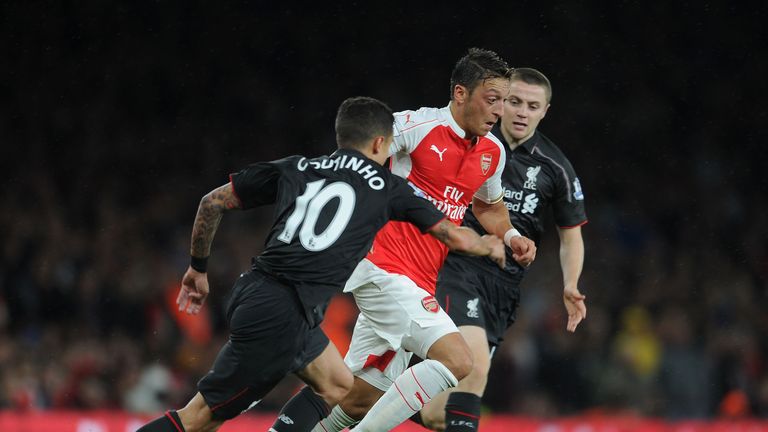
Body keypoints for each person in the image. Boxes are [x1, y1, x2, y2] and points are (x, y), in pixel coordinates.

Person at [136, 96, 508, 432]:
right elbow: (453, 234)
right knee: (199, 418)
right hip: (283, 310)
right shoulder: (385, 188)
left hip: (263, 293)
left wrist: (197, 269)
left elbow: (212, 202)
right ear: (381, 143)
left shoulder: (297, 167)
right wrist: (491, 245)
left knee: (338, 384)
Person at [272, 48, 537, 432]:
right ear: (461, 94)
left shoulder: (492, 153)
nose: (500, 112)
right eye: (492, 99)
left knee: (359, 394)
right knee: (458, 360)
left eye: (505, 101)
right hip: (384, 266)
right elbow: (354, 156)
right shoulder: (416, 127)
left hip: (420, 278)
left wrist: (511, 235)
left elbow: (489, 206)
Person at [417, 67, 589, 431]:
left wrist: (570, 284)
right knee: (475, 365)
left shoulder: (555, 166)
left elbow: (571, 234)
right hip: (457, 266)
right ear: (500, 102)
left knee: (436, 413)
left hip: (504, 286)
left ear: (545, 111)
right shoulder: (471, 142)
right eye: (514, 102)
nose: (522, 112)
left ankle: (368, 399)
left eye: (532, 105)